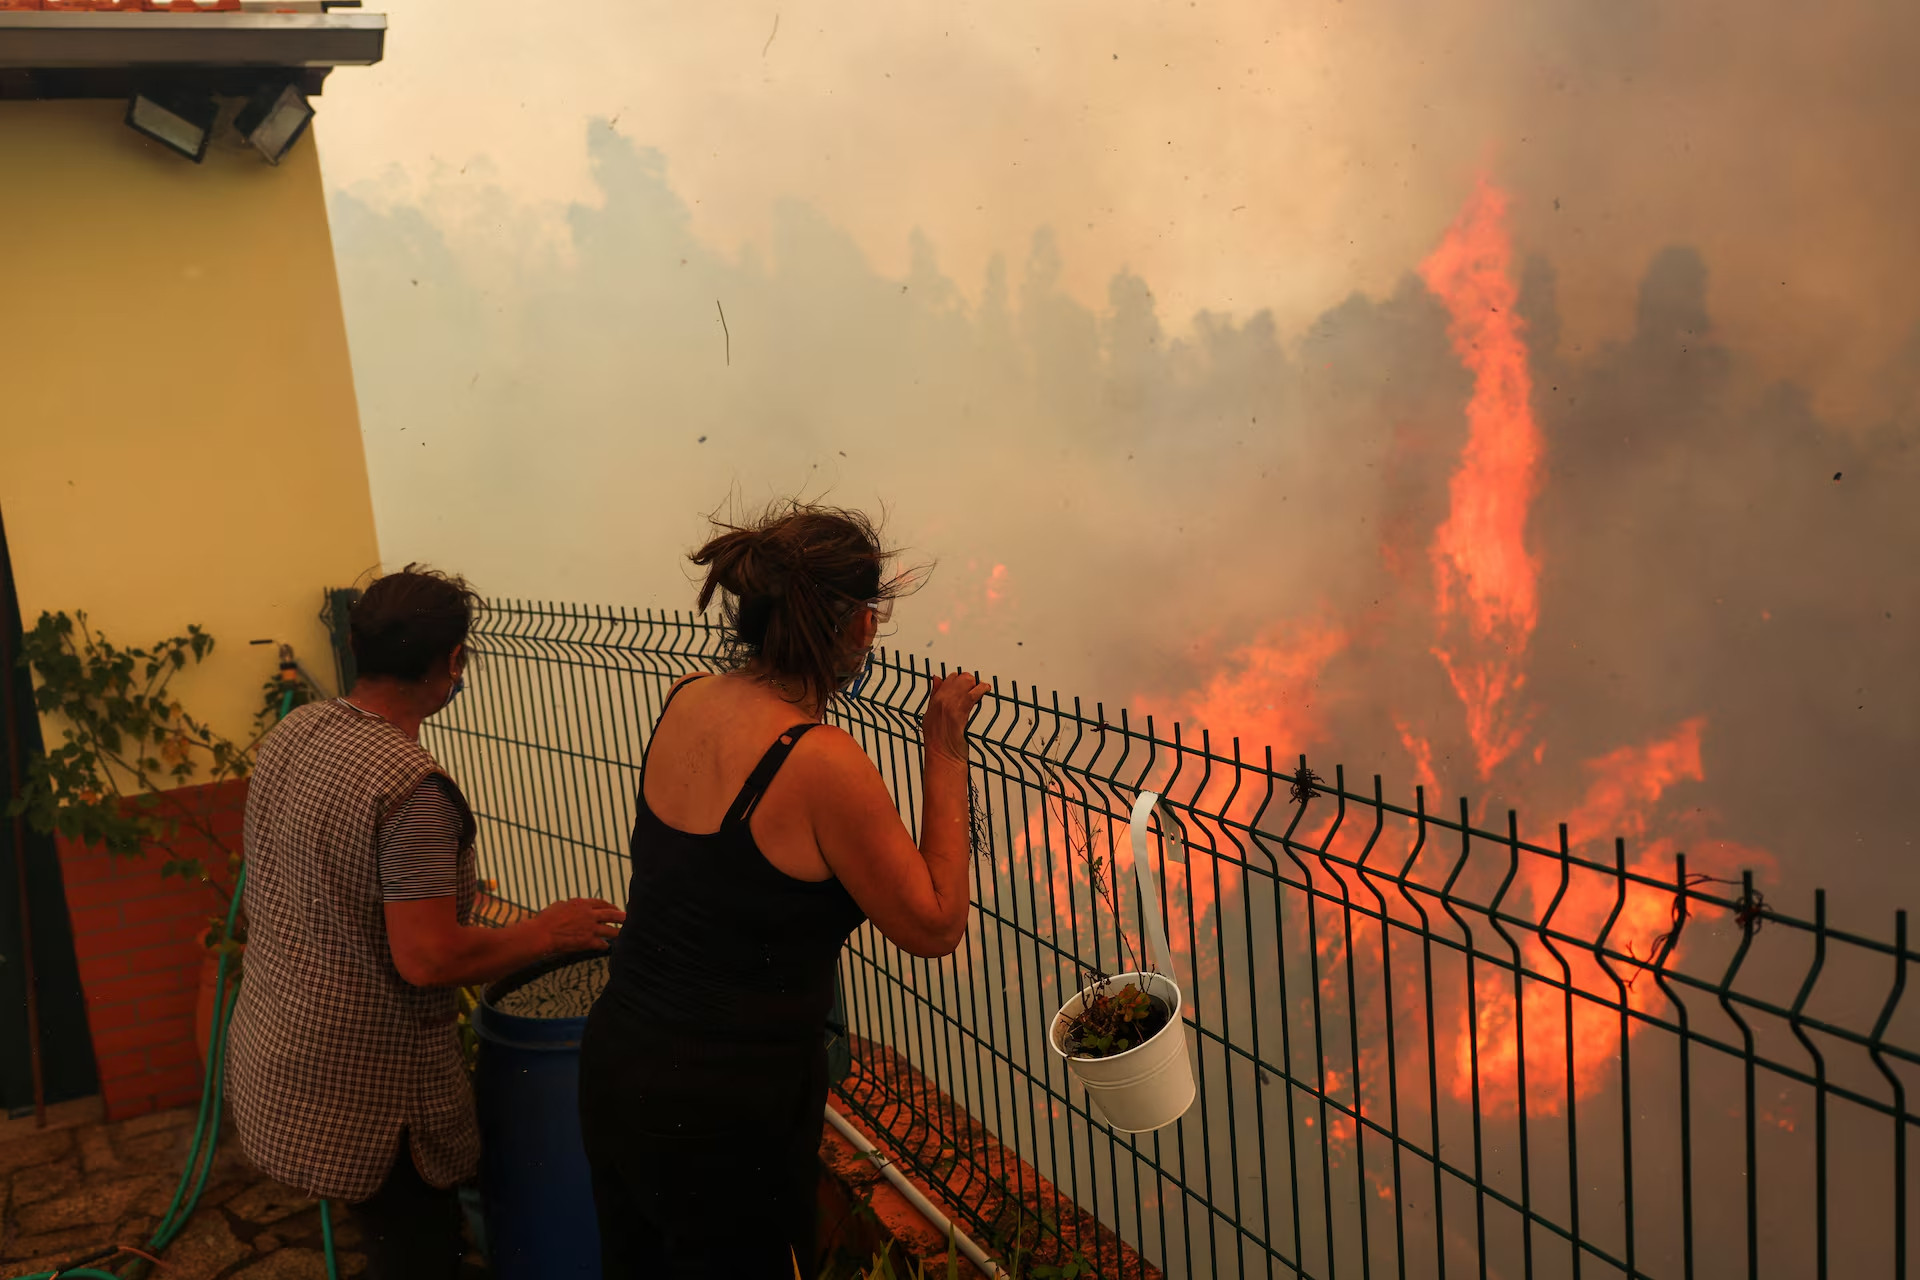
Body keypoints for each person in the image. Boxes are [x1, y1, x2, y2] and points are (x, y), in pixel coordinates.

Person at [578, 503, 986, 1278]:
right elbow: (935, 925)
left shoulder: (688, 696)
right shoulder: (820, 761)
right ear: (862, 626)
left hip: (617, 1065)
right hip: (725, 1119)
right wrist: (942, 749)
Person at [226, 565, 626, 1280]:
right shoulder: (412, 791)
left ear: (359, 647)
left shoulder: (298, 731)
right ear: (453, 660)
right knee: (419, 1256)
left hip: (281, 1049)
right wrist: (546, 932)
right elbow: (429, 960)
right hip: (372, 1093)